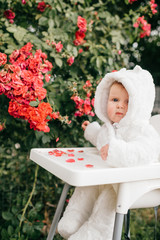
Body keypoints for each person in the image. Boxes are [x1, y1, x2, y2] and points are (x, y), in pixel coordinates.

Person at [58, 65, 160, 240]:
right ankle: (74, 217)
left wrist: (116, 151)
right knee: (87, 186)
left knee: (107, 200)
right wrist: (91, 130)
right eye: (114, 100)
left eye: (127, 102)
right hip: (107, 176)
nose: (120, 106)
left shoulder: (142, 130)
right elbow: (101, 140)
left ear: (139, 105)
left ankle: (94, 234)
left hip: (133, 183)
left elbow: (145, 152)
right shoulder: (109, 127)